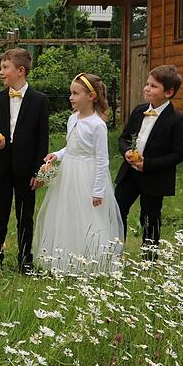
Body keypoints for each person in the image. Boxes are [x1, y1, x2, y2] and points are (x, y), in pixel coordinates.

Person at [34, 73, 124, 274]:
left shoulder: (97, 125)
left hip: (87, 175)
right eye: (70, 93)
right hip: (68, 174)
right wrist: (57, 155)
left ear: (91, 96)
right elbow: (71, 146)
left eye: (75, 93)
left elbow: (102, 159)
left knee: (87, 215)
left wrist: (98, 190)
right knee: (67, 213)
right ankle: (64, 257)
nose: (71, 97)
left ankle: (92, 260)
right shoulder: (72, 118)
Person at [0, 48, 50, 273]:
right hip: (1, 167)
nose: (1, 72)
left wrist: (39, 171)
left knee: (25, 215)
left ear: (20, 71)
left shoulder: (40, 100)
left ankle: (25, 258)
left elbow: (43, 139)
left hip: (27, 168)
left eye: (5, 67)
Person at [115, 65, 183, 259]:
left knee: (149, 217)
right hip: (129, 173)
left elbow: (179, 154)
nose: (147, 89)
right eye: (147, 84)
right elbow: (123, 138)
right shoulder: (139, 111)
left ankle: (149, 258)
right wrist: (127, 152)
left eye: (153, 86)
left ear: (169, 92)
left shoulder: (176, 119)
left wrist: (148, 164)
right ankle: (114, 252)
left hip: (154, 176)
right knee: (116, 209)